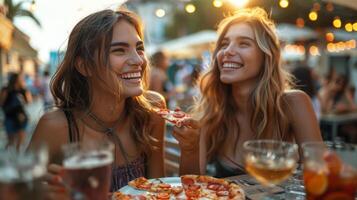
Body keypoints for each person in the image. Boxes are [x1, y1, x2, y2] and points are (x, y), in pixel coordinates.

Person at [28, 8, 166, 198]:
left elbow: (160, 191)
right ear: (84, 66)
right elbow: (20, 192)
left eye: (139, 48)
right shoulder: (56, 127)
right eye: (119, 50)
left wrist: (191, 150)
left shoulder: (152, 111)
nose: (138, 60)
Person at [173, 7, 323, 177]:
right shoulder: (211, 111)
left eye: (244, 43)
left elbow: (319, 175)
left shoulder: (293, 103)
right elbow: (192, 186)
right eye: (224, 44)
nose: (227, 51)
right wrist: (190, 148)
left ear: (266, 56)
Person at [0, 72, 32, 150]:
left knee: (20, 142)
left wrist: (25, 90)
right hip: (10, 117)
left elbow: (29, 101)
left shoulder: (23, 90)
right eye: (21, 78)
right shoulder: (6, 90)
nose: (22, 80)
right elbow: (1, 103)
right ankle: (8, 158)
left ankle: (17, 158)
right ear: (16, 79)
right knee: (11, 141)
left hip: (22, 118)